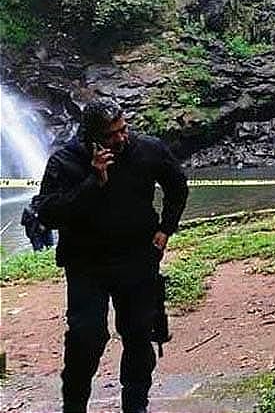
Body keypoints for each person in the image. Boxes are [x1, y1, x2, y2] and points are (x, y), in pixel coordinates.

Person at [33, 98, 188, 413]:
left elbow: (178, 186)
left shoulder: (147, 149)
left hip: (138, 257)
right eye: (110, 135)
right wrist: (94, 182)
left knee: (138, 333)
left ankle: (135, 405)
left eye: (123, 129)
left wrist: (166, 228)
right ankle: (74, 406)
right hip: (86, 263)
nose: (120, 139)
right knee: (85, 336)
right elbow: (47, 213)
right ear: (90, 136)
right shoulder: (65, 161)